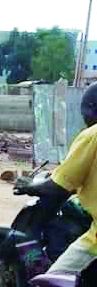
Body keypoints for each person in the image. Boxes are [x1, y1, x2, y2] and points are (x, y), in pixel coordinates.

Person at [23, 83, 97, 274]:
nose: (84, 119)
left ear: (92, 109)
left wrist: (29, 187)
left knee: (52, 285)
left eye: (85, 113)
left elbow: (60, 186)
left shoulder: (91, 135)